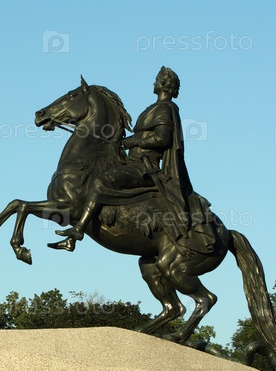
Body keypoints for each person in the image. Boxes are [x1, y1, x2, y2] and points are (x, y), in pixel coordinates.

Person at [48, 66, 215, 254]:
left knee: (101, 181)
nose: (154, 83)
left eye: (157, 80)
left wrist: (132, 141)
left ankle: (78, 230)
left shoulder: (165, 108)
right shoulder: (154, 108)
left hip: (145, 167)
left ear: (164, 85)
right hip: (134, 162)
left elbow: (163, 138)